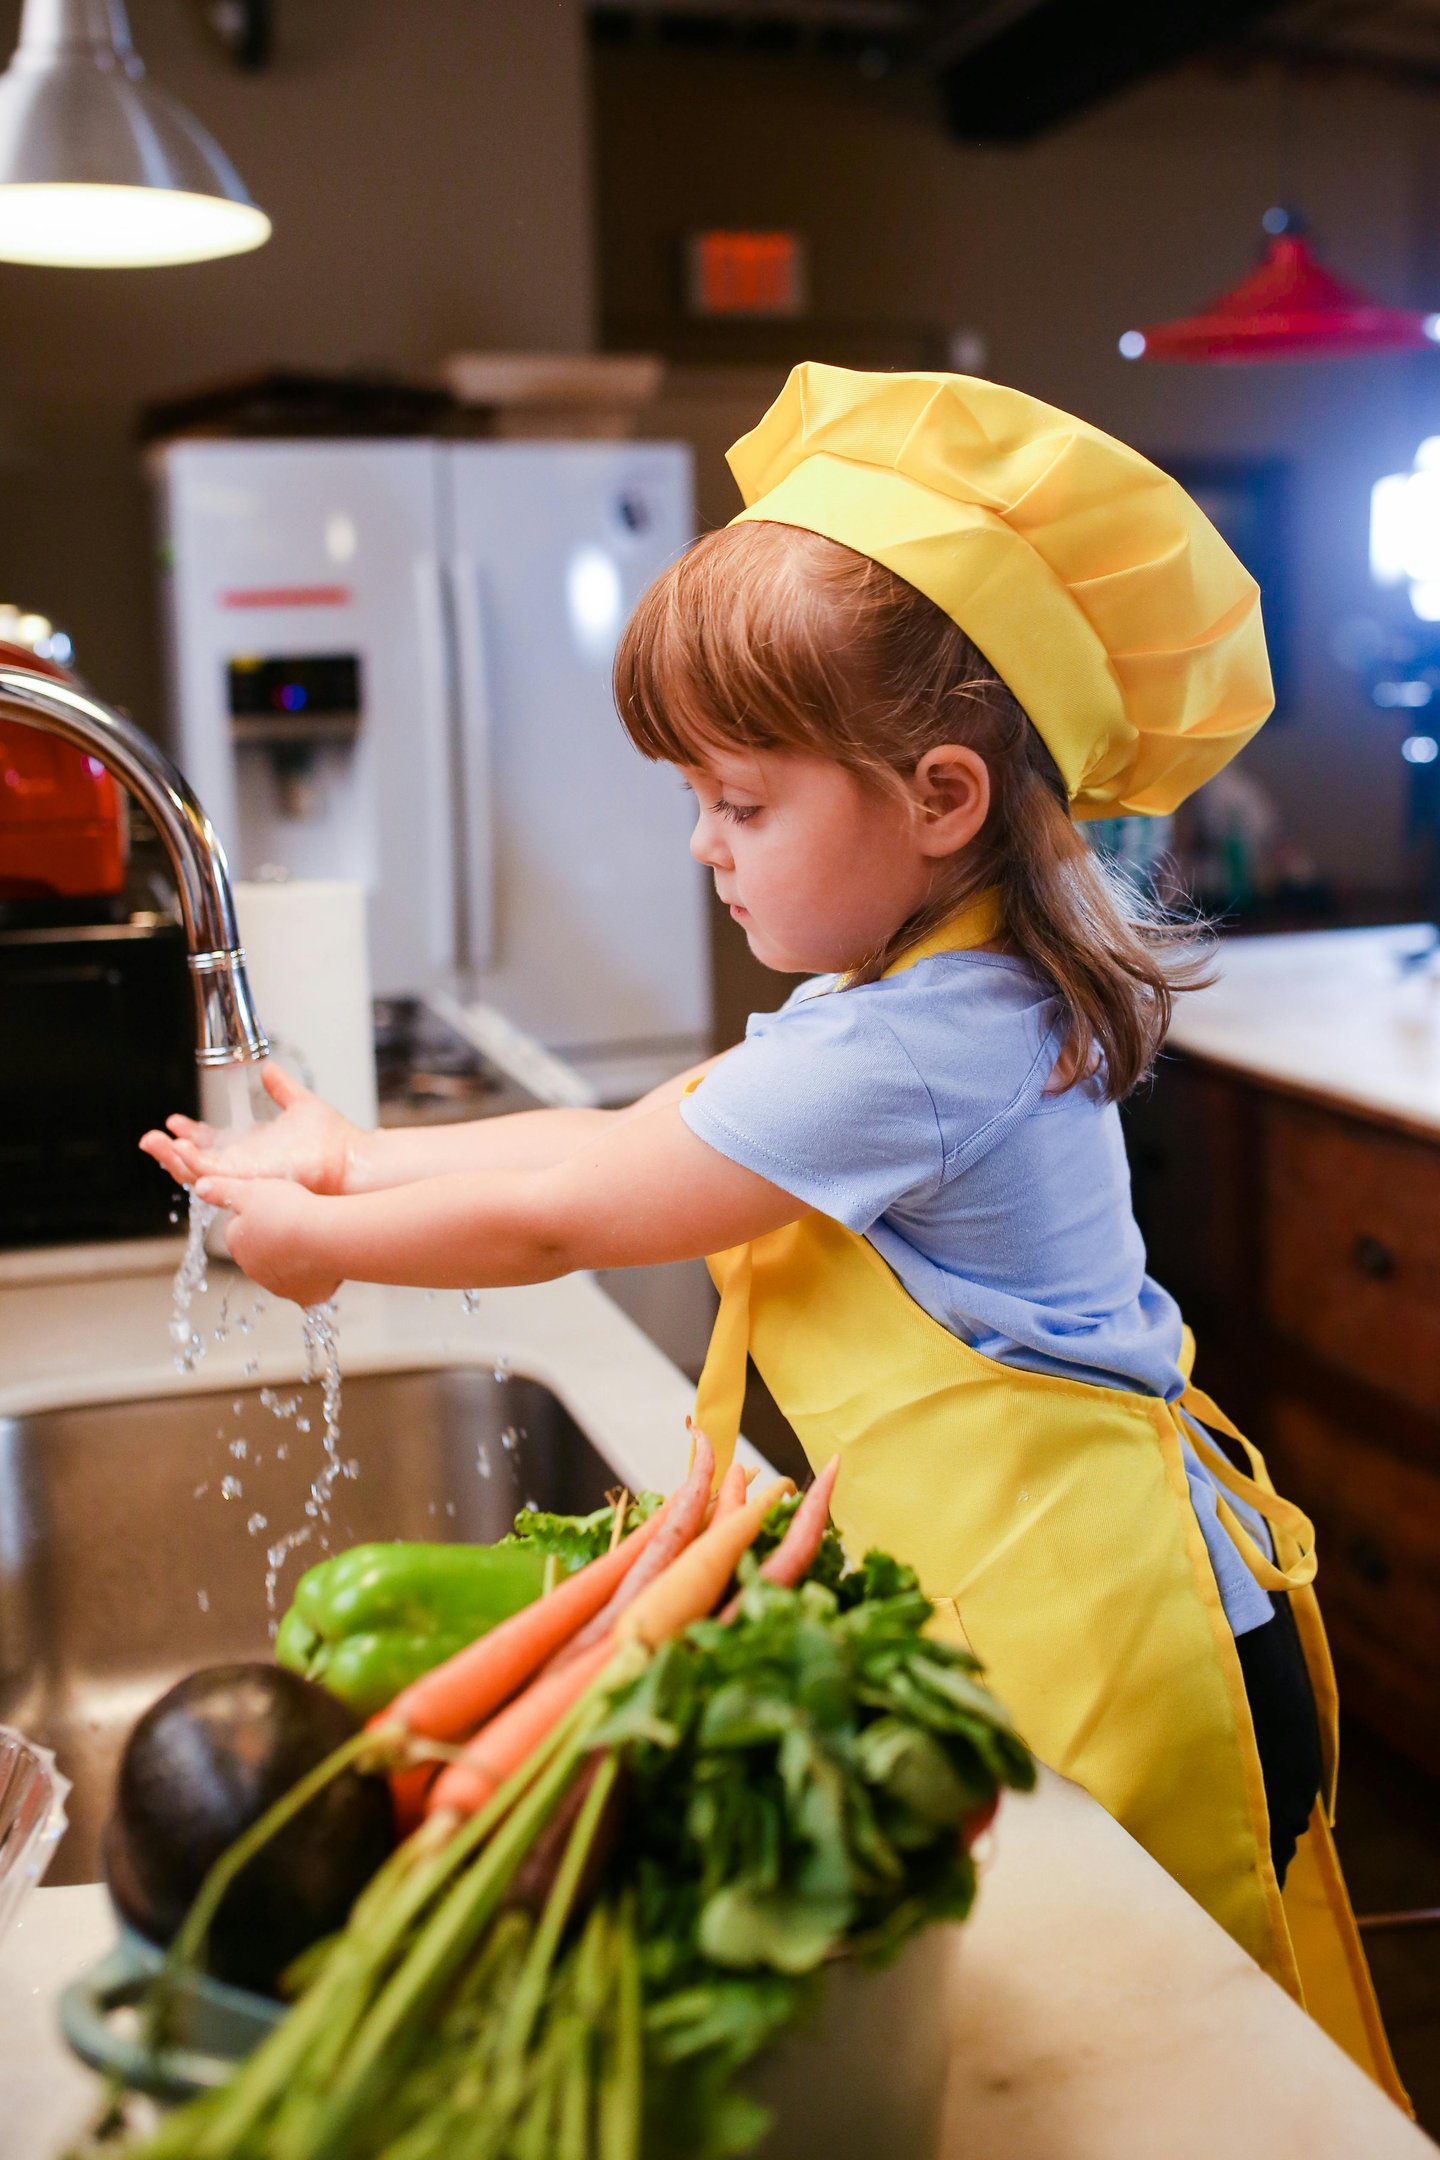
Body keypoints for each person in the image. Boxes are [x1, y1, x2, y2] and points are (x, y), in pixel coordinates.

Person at [142, 364, 1404, 2105]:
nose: (703, 850)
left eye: (743, 803)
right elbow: (626, 1138)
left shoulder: (912, 1045)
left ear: (940, 797)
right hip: (1103, 1594)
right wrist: (354, 1163)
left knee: (1185, 2087)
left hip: (1127, 1636)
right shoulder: (917, 990)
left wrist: (335, 1243)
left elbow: (567, 1212)